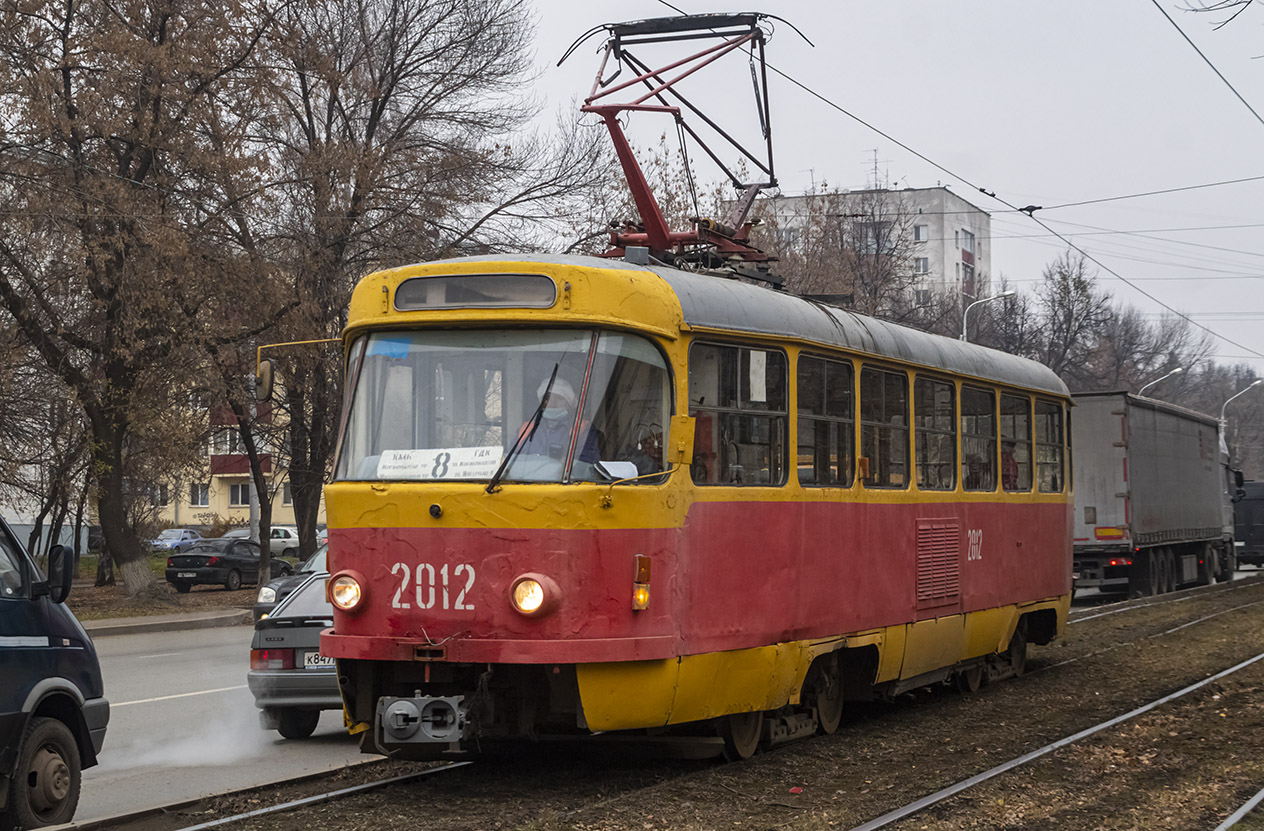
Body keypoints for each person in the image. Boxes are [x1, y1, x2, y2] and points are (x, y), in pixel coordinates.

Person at [517, 378, 599, 464]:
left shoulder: (583, 429)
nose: (552, 404)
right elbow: (513, 463)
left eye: (559, 399)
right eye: (547, 398)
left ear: (568, 404)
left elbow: (587, 465)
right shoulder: (526, 429)